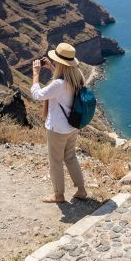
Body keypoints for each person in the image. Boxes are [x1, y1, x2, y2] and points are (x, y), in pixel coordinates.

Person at [31, 42, 88, 203]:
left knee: (56, 161)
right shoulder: (78, 77)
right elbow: (63, 80)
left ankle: (58, 194)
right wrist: (51, 68)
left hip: (57, 129)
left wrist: (35, 74)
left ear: (60, 64)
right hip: (73, 126)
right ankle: (81, 189)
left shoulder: (58, 84)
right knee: (70, 157)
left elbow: (38, 95)